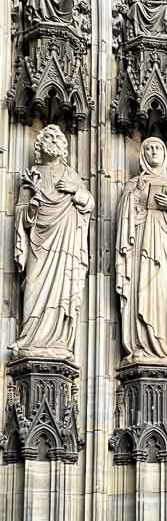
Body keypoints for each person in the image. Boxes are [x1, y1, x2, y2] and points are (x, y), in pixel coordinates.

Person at [11, 125, 94, 361]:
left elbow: (88, 204)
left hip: (65, 245)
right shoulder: (33, 175)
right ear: (40, 144)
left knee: (60, 293)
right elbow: (21, 216)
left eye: (59, 137)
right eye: (49, 136)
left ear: (65, 147)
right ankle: (31, 338)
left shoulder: (71, 176)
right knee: (33, 286)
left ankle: (58, 341)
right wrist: (33, 208)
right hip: (40, 245)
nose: (54, 140)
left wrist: (75, 191)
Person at [116, 138, 167, 365]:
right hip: (141, 247)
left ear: (165, 153)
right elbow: (123, 222)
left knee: (165, 294)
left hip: (166, 249)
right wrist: (135, 198)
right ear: (142, 155)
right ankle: (142, 345)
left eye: (158, 147)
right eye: (148, 148)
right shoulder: (133, 185)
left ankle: (164, 346)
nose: (153, 151)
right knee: (142, 293)